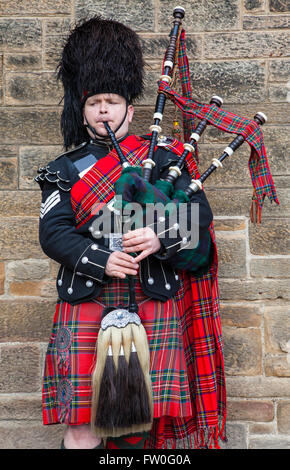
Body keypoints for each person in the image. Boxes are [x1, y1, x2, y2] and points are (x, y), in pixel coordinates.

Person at [35, 16, 226, 450]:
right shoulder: (63, 171)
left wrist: (160, 239)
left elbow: (199, 223)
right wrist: (100, 258)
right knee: (80, 424)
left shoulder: (165, 160)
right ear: (82, 112)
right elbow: (54, 233)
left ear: (130, 109)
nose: (103, 109)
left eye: (112, 101)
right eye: (94, 102)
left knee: (141, 426)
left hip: (150, 294)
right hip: (87, 295)